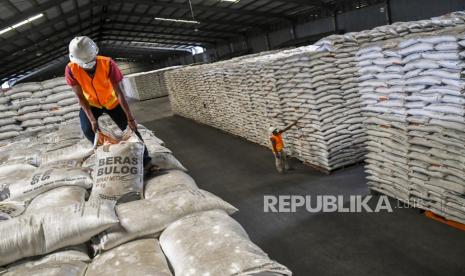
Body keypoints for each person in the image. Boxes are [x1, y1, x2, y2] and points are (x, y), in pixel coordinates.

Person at [65, 36, 153, 170]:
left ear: (95, 54)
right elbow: (80, 96)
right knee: (87, 129)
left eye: (91, 62)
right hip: (91, 104)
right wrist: (92, 119)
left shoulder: (107, 63)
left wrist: (130, 117)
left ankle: (146, 161)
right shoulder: (71, 69)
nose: (88, 66)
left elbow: (119, 92)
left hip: (111, 102)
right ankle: (106, 154)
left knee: (130, 129)